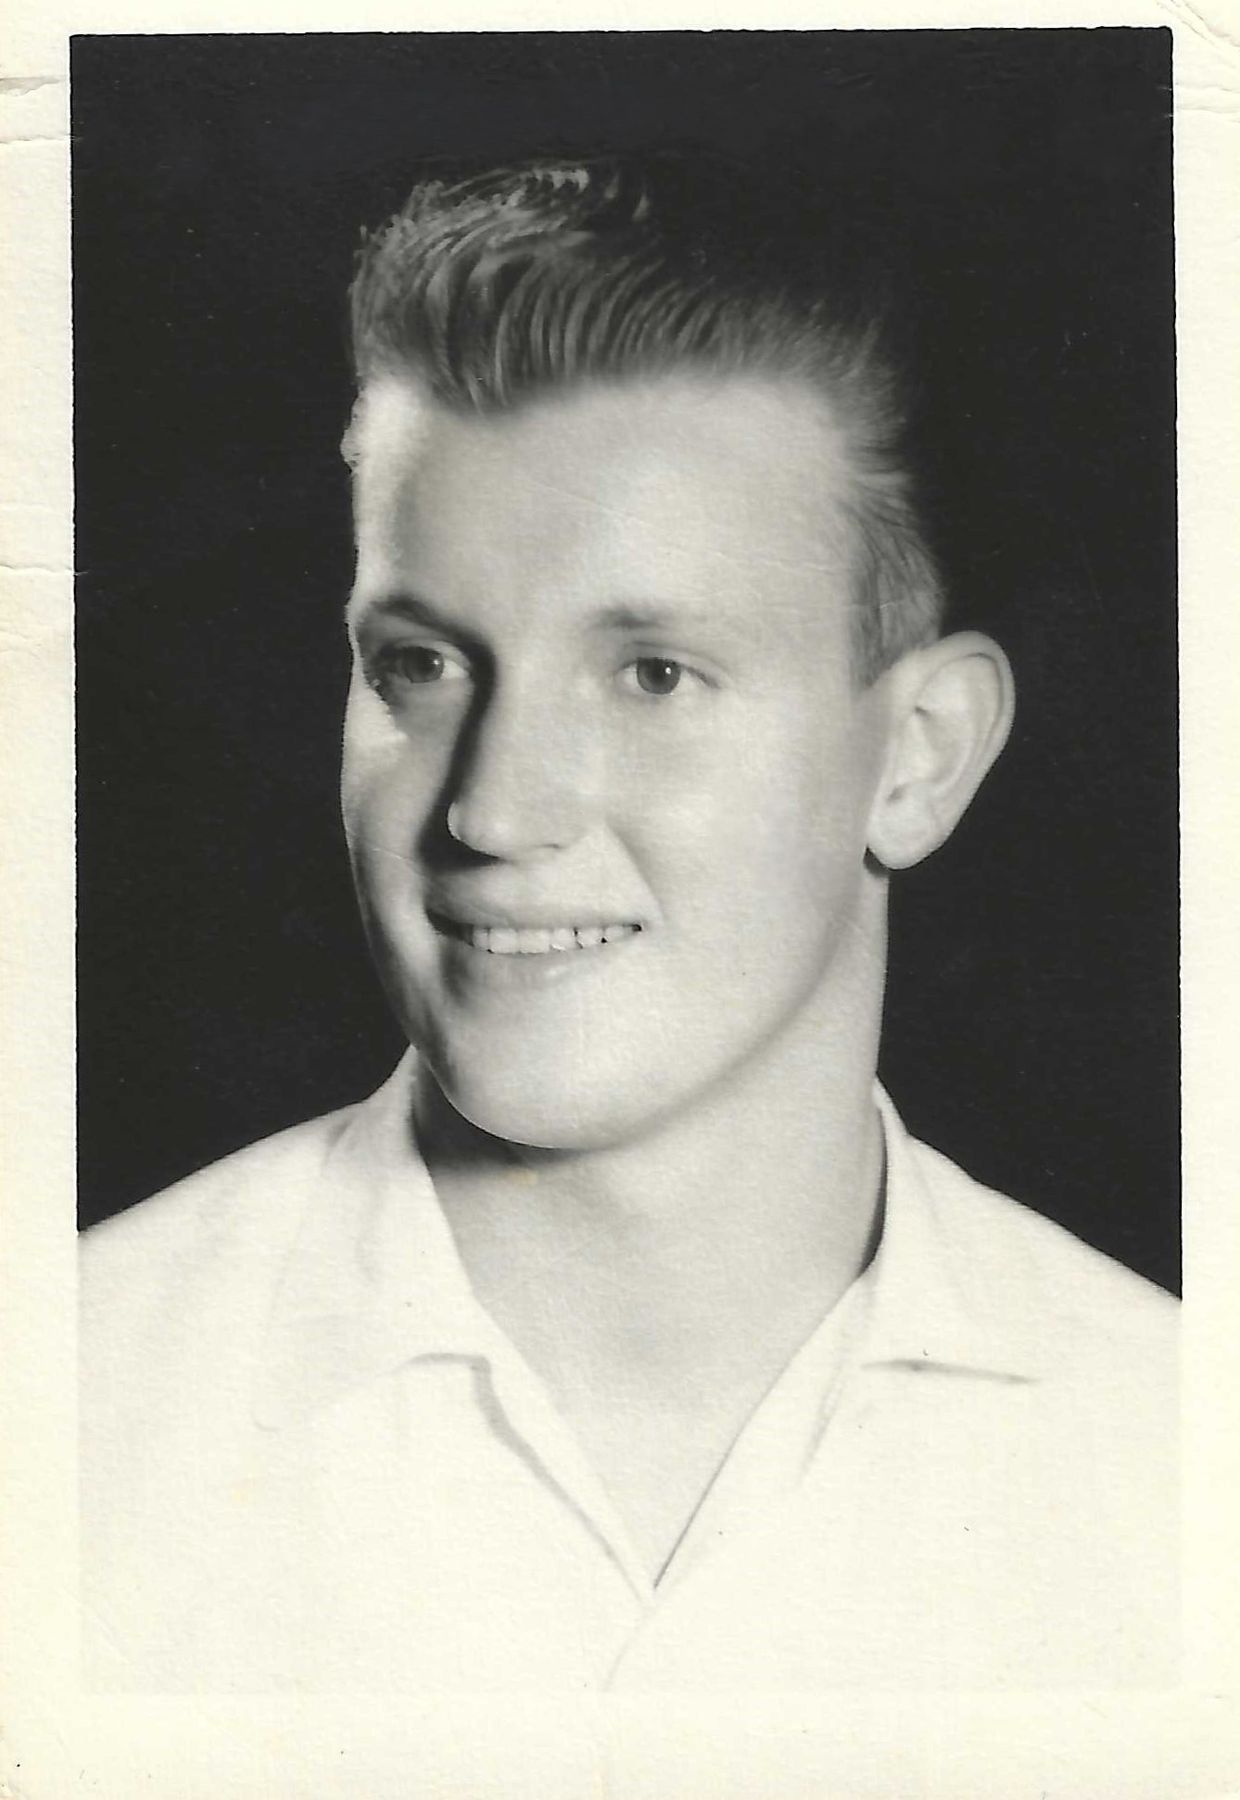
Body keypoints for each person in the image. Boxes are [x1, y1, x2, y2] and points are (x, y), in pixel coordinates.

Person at [80, 158, 1177, 1692]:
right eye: (421, 666)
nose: (494, 812)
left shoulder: (1180, 1465)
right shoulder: (65, 1409)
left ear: (920, 755)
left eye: (654, 674)